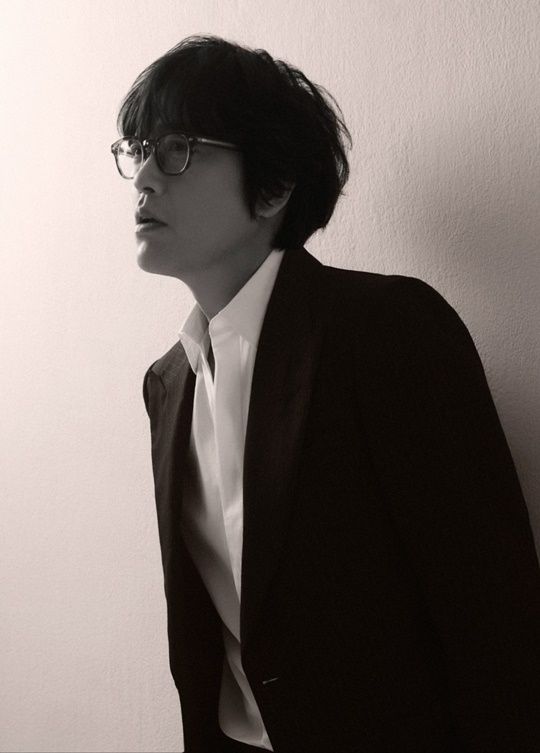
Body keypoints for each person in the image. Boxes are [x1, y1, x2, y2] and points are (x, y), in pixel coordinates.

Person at [111, 34, 540, 753]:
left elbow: (492, 613)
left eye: (178, 148)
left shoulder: (386, 330)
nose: (145, 177)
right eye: (139, 149)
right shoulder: (168, 383)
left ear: (273, 186)